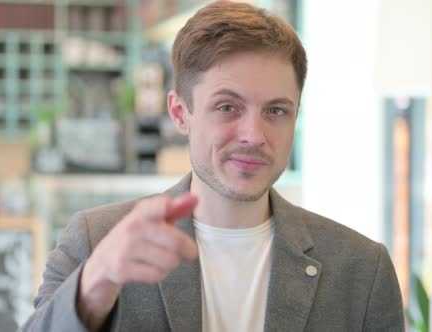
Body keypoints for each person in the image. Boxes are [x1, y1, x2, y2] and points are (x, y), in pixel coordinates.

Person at [20, 1, 404, 331]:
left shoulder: (361, 270)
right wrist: (97, 279)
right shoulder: (97, 240)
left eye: (276, 110)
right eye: (227, 107)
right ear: (179, 113)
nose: (254, 134)